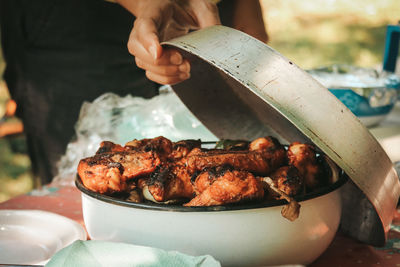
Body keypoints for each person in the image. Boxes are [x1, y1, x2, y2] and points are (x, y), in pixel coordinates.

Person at [0, 0, 268, 185]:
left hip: (203, 14)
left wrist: (245, 5)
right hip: (75, 28)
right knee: (90, 185)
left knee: (228, 158)